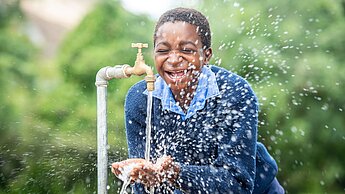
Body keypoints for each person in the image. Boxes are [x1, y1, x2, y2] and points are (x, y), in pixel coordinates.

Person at [112, 7, 285, 194]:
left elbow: (237, 184)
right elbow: (144, 186)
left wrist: (175, 173)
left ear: (206, 55)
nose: (174, 59)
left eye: (186, 50)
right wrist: (142, 174)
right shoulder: (141, 100)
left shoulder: (233, 92)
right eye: (163, 50)